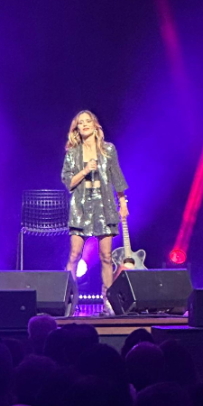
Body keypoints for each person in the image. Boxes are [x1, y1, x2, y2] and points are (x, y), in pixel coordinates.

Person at [61, 111, 129, 316]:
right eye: (80, 123)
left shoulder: (108, 149)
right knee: (75, 254)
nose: (84, 125)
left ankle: (108, 302)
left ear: (94, 125)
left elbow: (117, 177)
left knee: (106, 256)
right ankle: (68, 300)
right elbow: (68, 182)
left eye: (88, 121)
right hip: (80, 207)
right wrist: (84, 170)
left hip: (104, 206)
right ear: (76, 128)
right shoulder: (73, 153)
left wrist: (122, 202)